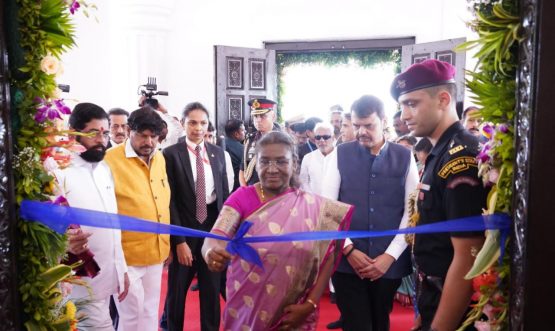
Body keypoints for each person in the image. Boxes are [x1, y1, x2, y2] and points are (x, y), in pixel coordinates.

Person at [201, 131, 353, 330]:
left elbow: (329, 255)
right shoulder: (242, 198)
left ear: (294, 164)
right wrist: (211, 253)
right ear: (256, 164)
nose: (272, 169)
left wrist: (310, 304)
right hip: (247, 309)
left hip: (294, 312)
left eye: (281, 162)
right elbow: (215, 237)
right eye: (264, 162)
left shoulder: (313, 207)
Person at [392, 59, 488, 330]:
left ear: (443, 99)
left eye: (412, 103)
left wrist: (439, 327)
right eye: (401, 106)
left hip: (459, 312)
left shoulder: (461, 158)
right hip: (436, 293)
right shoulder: (440, 151)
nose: (404, 115)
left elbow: (468, 255)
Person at [322, 95, 419, 331]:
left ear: (383, 121)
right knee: (357, 324)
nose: (361, 132)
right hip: (346, 261)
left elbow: (411, 211)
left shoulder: (404, 156)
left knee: (379, 321)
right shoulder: (340, 153)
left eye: (368, 125)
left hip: (389, 261)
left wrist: (390, 256)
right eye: (356, 126)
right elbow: (327, 208)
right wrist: (348, 249)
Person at [55, 103, 129, 330]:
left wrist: (121, 269)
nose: (102, 139)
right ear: (73, 131)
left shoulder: (103, 168)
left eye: (105, 133)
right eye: (93, 133)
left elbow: (113, 225)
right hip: (78, 279)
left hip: (106, 274)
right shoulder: (58, 172)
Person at [162, 102, 230, 331]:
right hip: (184, 228)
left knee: (211, 292)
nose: (198, 128)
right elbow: (169, 201)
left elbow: (224, 195)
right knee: (177, 293)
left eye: (203, 122)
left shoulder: (218, 153)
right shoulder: (170, 154)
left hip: (212, 229)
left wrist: (223, 234)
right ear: (183, 124)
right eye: (192, 122)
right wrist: (178, 241)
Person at [104, 107, 171, 331]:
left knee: (151, 311)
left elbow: (162, 199)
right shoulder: (109, 160)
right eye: (143, 135)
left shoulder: (159, 157)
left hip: (156, 251)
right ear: (129, 130)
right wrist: (116, 260)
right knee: (131, 315)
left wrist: (167, 242)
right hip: (126, 256)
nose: (149, 142)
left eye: (153, 136)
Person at [239, 98, 279, 186]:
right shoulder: (250, 139)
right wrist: (245, 191)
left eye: (263, 116)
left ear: (273, 117)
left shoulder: (282, 140)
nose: (258, 120)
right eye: (255, 116)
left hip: (274, 192)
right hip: (251, 192)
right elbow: (243, 170)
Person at [299, 122, 336, 194]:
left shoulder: (340, 155)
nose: (322, 140)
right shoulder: (308, 158)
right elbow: (303, 182)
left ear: (333, 137)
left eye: (326, 137)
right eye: (318, 137)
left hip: (337, 203)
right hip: (314, 202)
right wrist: (311, 197)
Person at [224, 119, 246, 192]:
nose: (245, 132)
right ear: (236, 134)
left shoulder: (218, 143)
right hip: (236, 187)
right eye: (243, 130)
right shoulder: (242, 149)